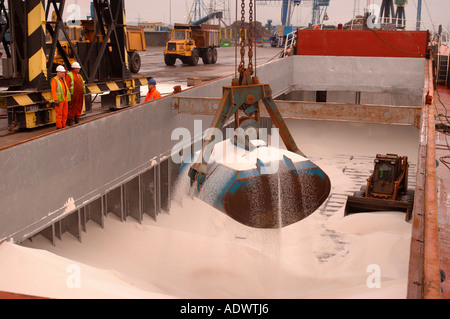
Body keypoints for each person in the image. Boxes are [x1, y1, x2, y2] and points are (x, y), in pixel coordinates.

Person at [51, 65, 70, 129]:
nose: (63, 73)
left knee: (65, 113)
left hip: (64, 99)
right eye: (62, 72)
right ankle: (59, 126)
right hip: (59, 100)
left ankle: (63, 125)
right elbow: (53, 91)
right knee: (59, 114)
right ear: (58, 72)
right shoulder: (55, 80)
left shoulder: (63, 79)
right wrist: (56, 100)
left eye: (64, 72)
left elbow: (65, 89)